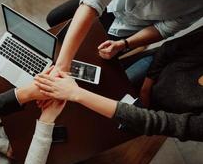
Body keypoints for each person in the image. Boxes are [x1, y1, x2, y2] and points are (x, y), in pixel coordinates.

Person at [34, 26, 203, 141]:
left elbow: (159, 123)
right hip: (152, 73)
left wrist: (75, 93)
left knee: (105, 128)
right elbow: (168, 49)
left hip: (162, 112)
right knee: (104, 85)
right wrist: (145, 88)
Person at [47, 0, 203, 83]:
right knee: (54, 19)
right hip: (109, 2)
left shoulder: (198, 1)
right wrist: (62, 65)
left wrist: (124, 43)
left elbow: (163, 29)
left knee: (89, 62)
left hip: (126, 32)